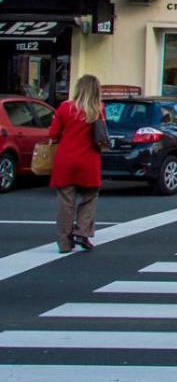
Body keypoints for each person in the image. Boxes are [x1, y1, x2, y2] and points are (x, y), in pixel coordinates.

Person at [49, 74, 105, 253]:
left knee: (66, 202)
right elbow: (101, 135)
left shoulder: (65, 108)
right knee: (90, 197)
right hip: (89, 159)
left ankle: (64, 242)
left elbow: (53, 133)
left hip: (66, 159)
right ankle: (82, 231)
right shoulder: (97, 110)